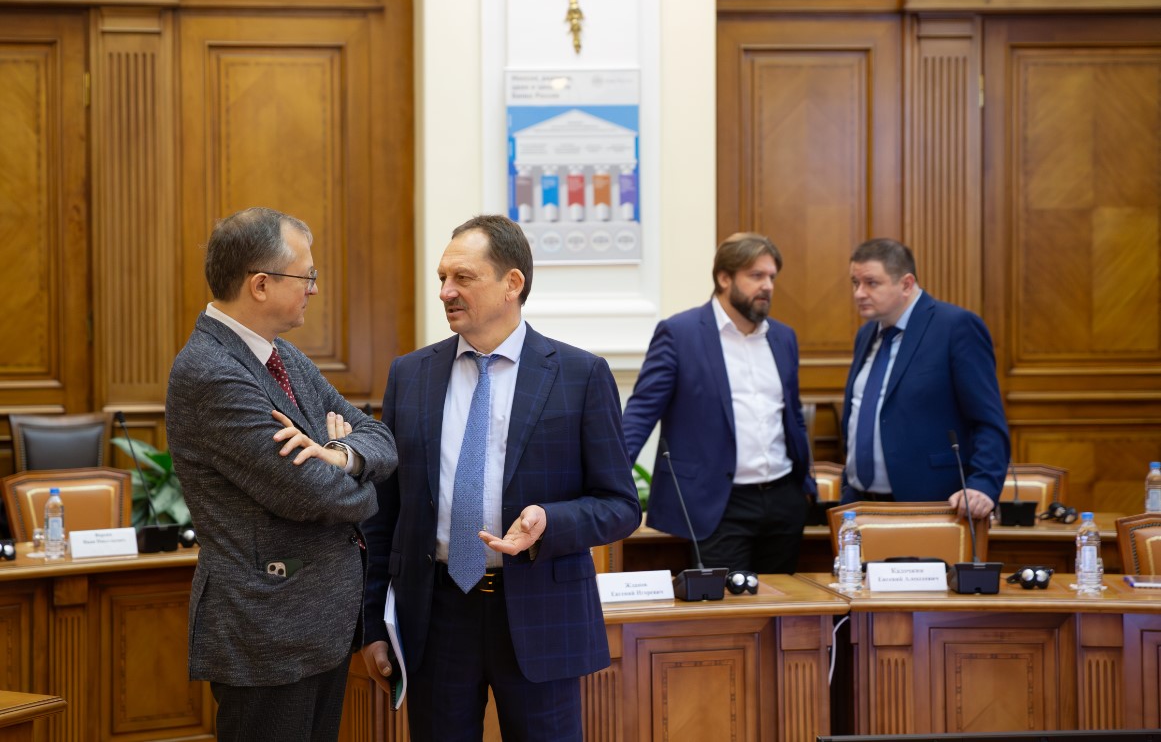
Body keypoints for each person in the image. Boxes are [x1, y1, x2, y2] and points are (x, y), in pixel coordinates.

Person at [360, 214, 641, 742]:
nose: (445, 292)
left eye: (462, 278)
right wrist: (373, 623)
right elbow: (384, 512)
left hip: (540, 614)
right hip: (436, 617)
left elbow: (620, 506)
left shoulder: (580, 375)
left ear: (513, 283)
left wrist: (549, 521)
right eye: (442, 278)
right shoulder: (410, 375)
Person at [166, 207, 397, 742]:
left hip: (319, 626)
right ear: (261, 284)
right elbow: (310, 493)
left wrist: (337, 454)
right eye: (306, 276)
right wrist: (362, 486)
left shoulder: (284, 357)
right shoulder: (211, 372)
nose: (314, 288)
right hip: (267, 635)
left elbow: (379, 438)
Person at [621, 232, 817, 574]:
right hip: (717, 503)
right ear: (725, 278)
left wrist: (806, 485)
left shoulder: (783, 337)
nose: (768, 286)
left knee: (783, 601)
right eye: (756, 275)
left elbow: (792, 416)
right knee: (727, 604)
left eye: (772, 277)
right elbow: (641, 413)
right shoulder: (680, 333)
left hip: (783, 501)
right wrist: (609, 479)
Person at [841, 237, 1009, 519]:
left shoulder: (956, 327)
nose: (859, 293)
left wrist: (982, 485)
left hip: (936, 505)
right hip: (861, 505)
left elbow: (988, 421)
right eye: (855, 283)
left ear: (906, 284)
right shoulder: (866, 334)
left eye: (871, 283)